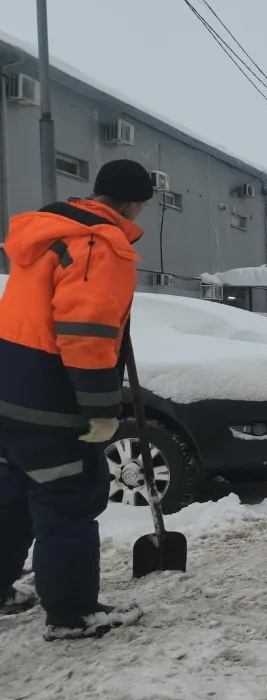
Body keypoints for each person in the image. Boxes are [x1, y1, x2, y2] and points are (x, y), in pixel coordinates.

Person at [0, 159, 152, 640]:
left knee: (13, 495)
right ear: (133, 202)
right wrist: (101, 410)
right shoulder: (100, 245)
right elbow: (85, 334)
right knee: (68, 500)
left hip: (9, 388)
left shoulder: (50, 235)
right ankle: (71, 614)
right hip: (50, 397)